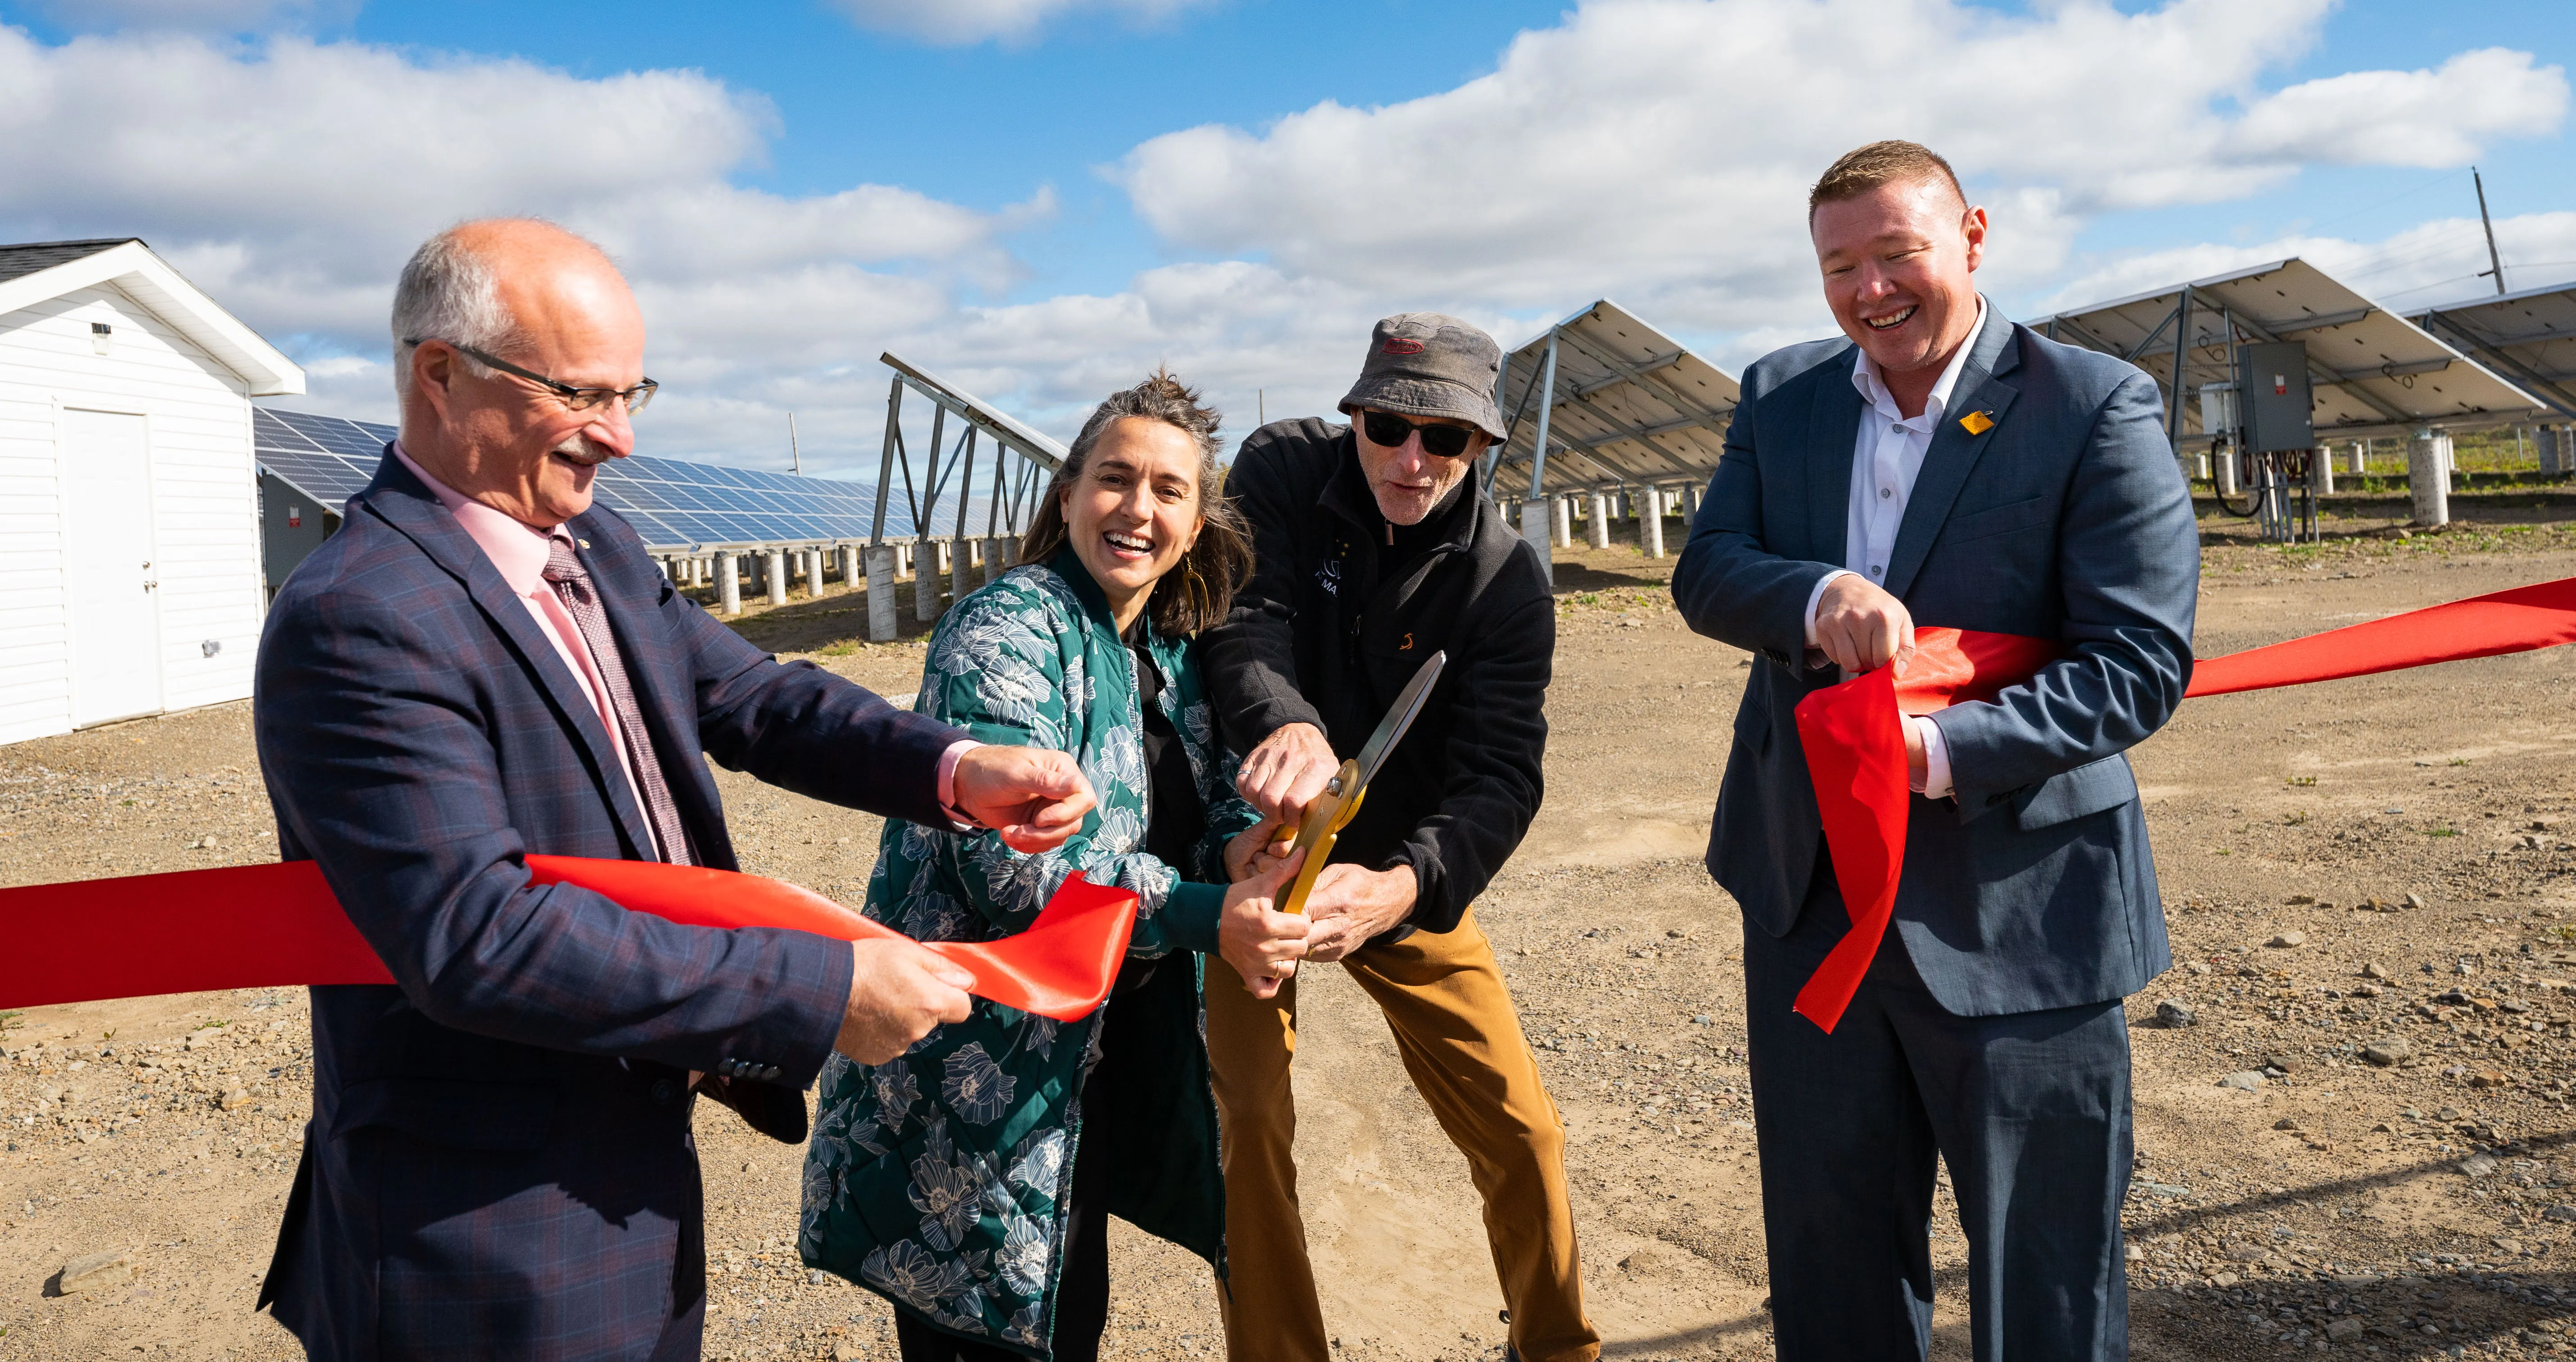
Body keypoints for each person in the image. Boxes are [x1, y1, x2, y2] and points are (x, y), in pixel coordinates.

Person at [254, 219, 1097, 1362]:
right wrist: (820, 986)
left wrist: (951, 767)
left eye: (632, 389)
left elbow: (753, 695)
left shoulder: (594, 544)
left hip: (623, 1168)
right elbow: (479, 934)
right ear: (441, 375)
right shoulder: (364, 616)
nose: (623, 435)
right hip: (483, 1224)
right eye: (580, 394)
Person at [1670, 140, 2198, 1361]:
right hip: (1809, 896)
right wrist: (1811, 596)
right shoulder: (1781, 395)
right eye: (1838, 264)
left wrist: (1935, 752)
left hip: (2018, 910)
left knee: (2042, 1277)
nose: (1869, 289)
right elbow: (1707, 569)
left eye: (1895, 251)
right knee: (1830, 1254)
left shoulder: (2089, 402)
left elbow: (2136, 660)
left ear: (1971, 233)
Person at [802, 371, 1312, 1362]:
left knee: (1064, 1318)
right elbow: (1018, 865)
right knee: (993, 1331)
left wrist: (1239, 845)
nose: (1139, 507)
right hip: (968, 1082)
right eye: (1116, 478)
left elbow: (1186, 808)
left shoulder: (1163, 649)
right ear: (1069, 491)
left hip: (1073, 1078)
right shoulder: (1006, 628)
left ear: (1197, 521)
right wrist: (1213, 909)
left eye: (1169, 489)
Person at [1200, 314, 1599, 1362]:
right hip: (1265, 846)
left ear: (1482, 446)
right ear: (1354, 416)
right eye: (1385, 426)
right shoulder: (1283, 469)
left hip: (1396, 867)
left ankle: (1557, 1348)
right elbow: (1245, 616)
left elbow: (1500, 774)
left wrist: (1405, 885)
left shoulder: (1506, 579)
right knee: (1245, 1119)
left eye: (1445, 439)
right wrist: (1283, 719)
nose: (1410, 460)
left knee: (1521, 1128)